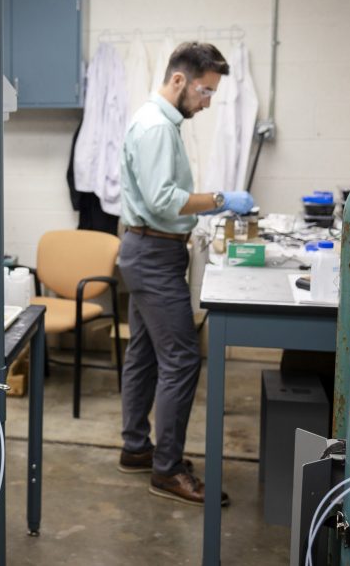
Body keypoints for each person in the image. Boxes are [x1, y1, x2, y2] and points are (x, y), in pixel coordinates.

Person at [117, 42, 255, 506]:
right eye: (205, 91)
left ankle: (137, 448)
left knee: (143, 354)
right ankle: (167, 469)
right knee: (180, 360)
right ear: (179, 80)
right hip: (153, 253)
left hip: (147, 249)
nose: (208, 101)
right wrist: (219, 199)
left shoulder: (161, 122)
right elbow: (163, 201)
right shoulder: (157, 127)